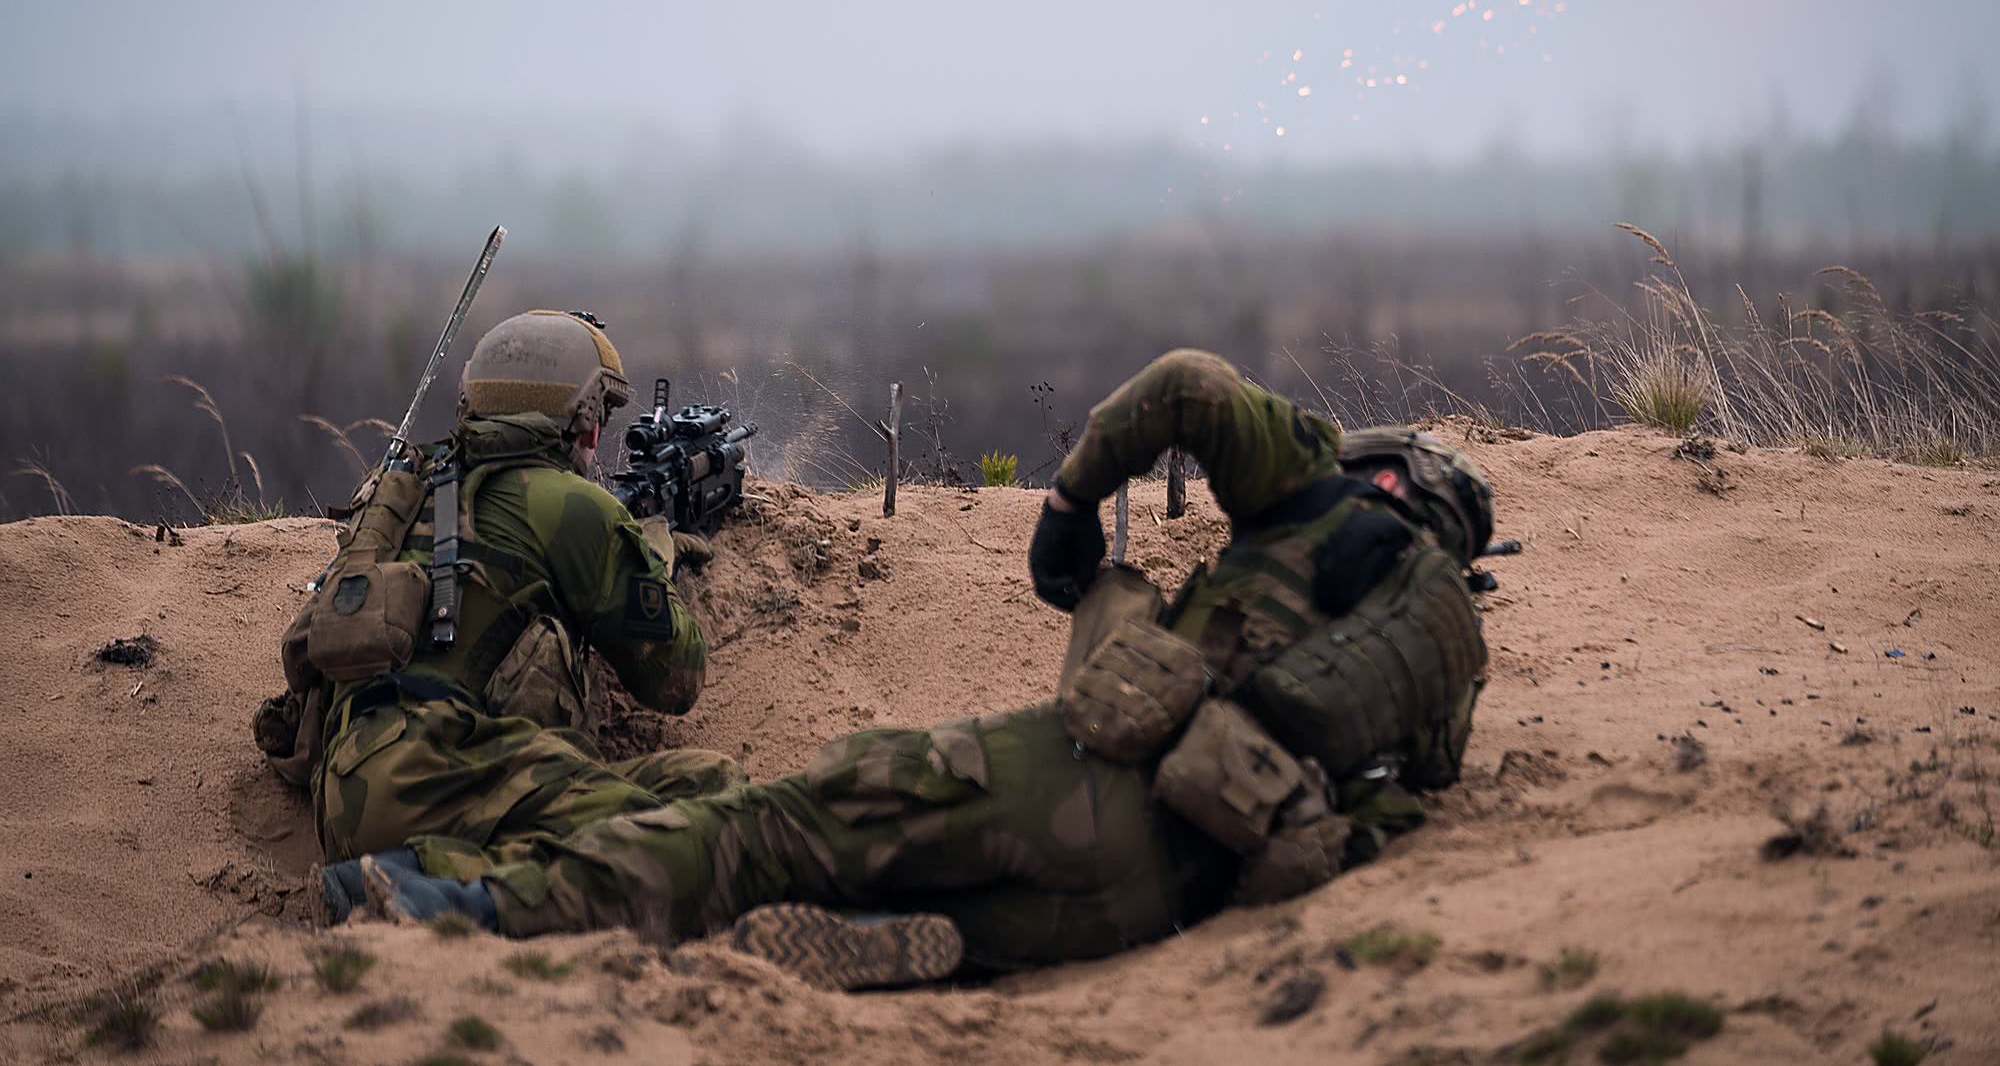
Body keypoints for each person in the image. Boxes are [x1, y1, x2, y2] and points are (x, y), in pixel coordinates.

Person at [332, 348, 1494, 992]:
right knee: (948, 908)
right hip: (1164, 895)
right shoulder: (1440, 647)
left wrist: (1069, 502)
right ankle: (884, 940)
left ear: (1378, 475)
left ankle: (471, 908)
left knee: (773, 824)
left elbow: (1186, 383)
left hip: (1082, 778)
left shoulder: (1303, 505)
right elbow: (1386, 804)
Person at [253, 309, 743, 906]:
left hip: (344, 788)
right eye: (601, 418)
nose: (598, 440)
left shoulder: (408, 493)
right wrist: (651, 555)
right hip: (446, 772)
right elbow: (676, 678)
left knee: (698, 781)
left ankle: (419, 877)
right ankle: (414, 892)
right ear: (583, 421)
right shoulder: (573, 507)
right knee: (707, 827)